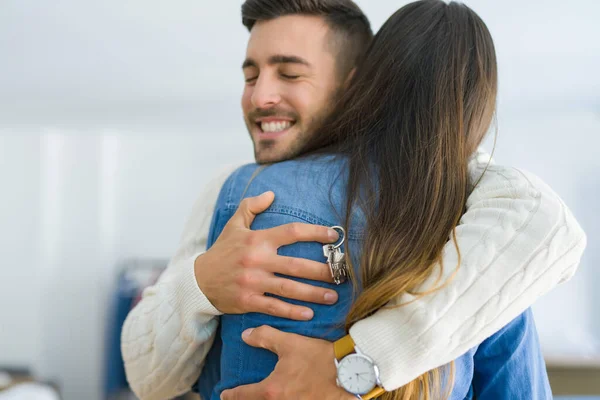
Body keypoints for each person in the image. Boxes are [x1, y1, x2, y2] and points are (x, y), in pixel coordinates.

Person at [120, 0, 587, 399]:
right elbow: (146, 376)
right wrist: (202, 283)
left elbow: (548, 223)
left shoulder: (478, 208)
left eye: (289, 73)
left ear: (356, 85)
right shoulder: (228, 192)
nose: (260, 96)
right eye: (250, 75)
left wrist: (350, 367)